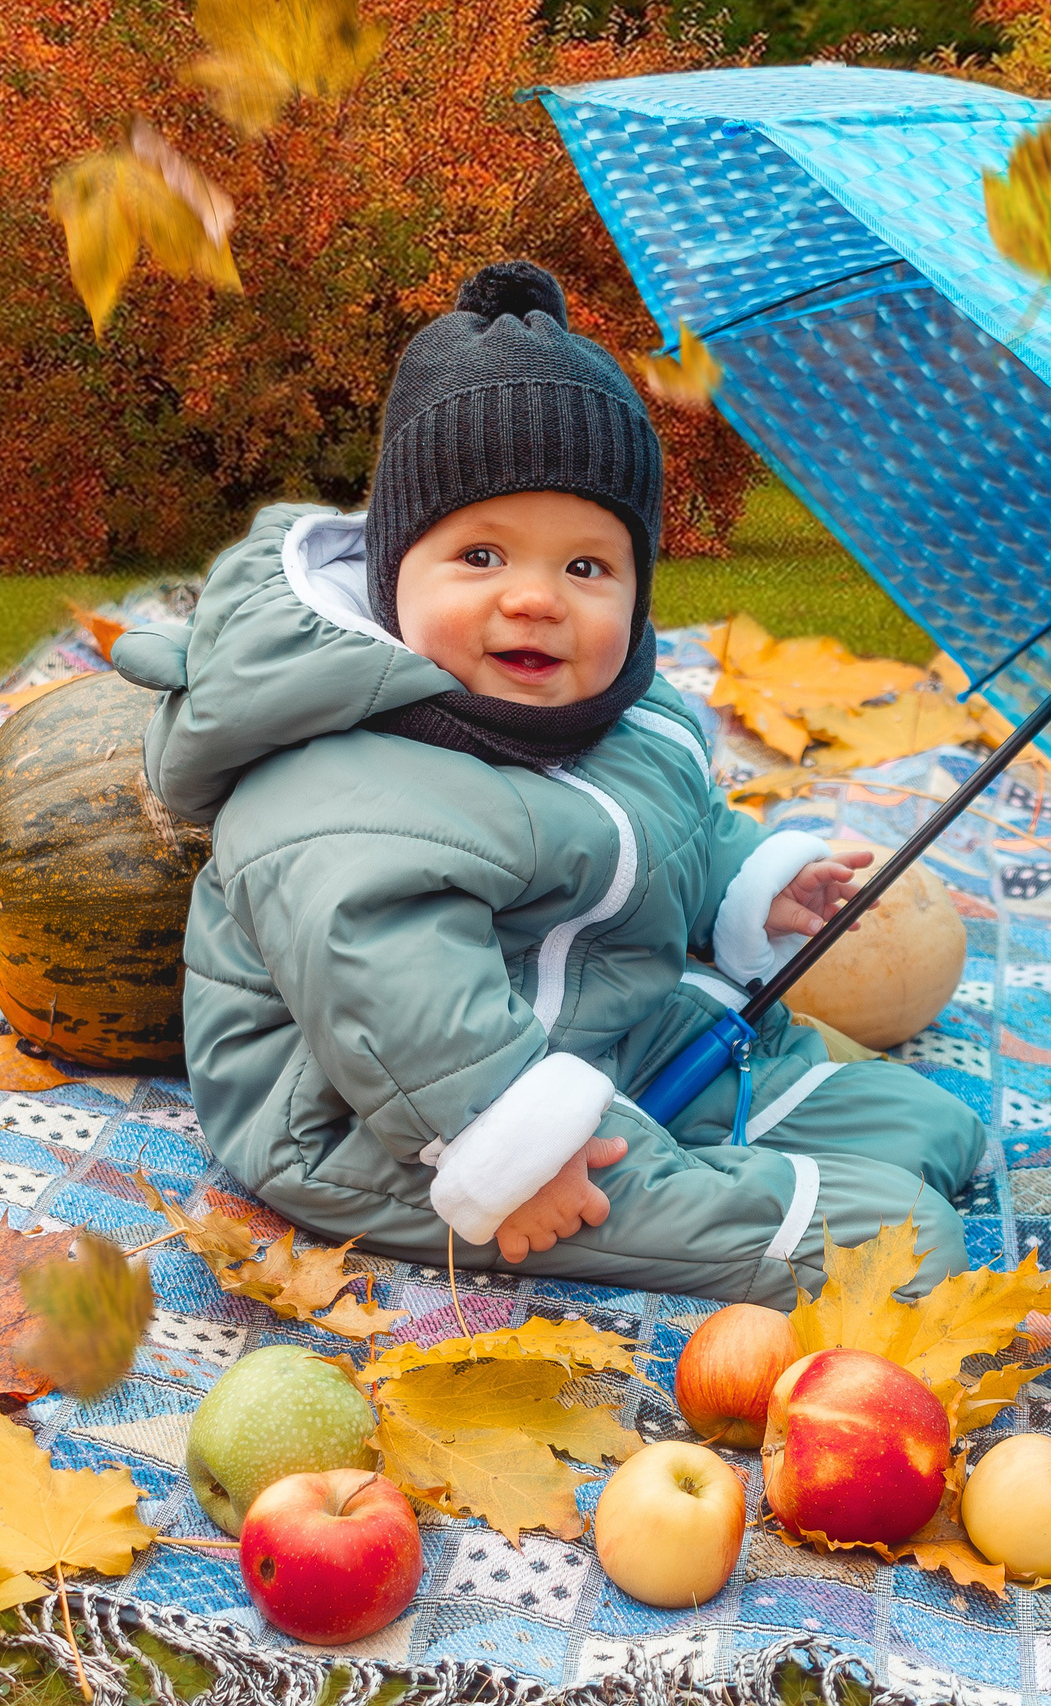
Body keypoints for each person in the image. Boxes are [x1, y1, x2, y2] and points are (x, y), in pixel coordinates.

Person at [110, 260, 986, 1305]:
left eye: (586, 568)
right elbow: (391, 991)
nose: (534, 599)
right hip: (389, 1115)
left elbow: (660, 818)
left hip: (591, 1026)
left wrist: (747, 877)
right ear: (394, 571)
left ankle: (715, 1132)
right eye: (481, 555)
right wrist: (509, 1146)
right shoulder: (337, 781)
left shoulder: (614, 710)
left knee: (933, 1128)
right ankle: (761, 1210)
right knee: (896, 1241)